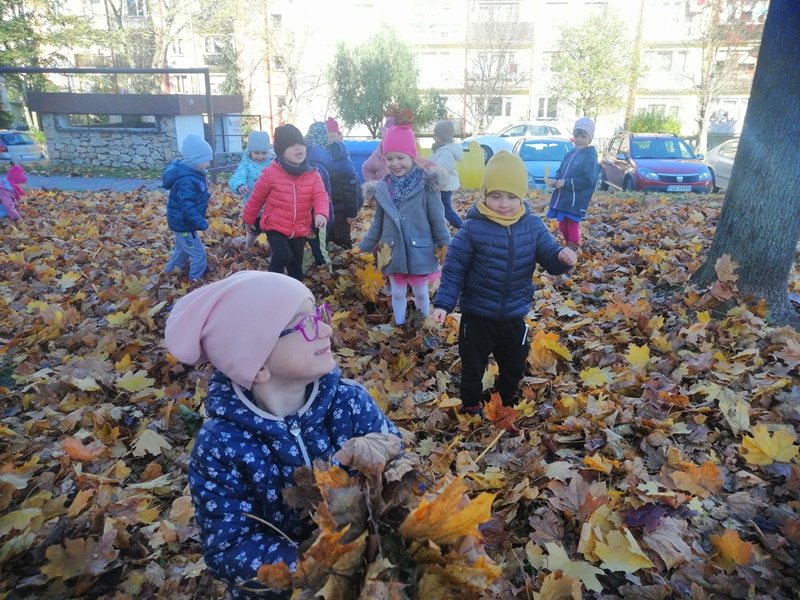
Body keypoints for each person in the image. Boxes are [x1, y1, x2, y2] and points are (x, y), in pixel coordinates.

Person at [164, 271, 401, 600]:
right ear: (258, 364)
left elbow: (397, 464)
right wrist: (315, 565)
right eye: (305, 324)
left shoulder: (350, 402)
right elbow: (229, 547)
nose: (326, 329)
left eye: (319, 314)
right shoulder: (221, 444)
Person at [432, 151, 577, 415]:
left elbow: (549, 256)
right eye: (496, 196)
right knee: (473, 364)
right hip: (477, 315)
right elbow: (454, 269)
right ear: (485, 195)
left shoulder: (532, 226)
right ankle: (471, 404)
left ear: (521, 196)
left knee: (515, 363)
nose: (503, 204)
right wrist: (443, 303)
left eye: (511, 196)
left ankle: (505, 400)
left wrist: (562, 257)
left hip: (513, 313)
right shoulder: (471, 229)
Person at [358, 123, 451, 326]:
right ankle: (400, 324)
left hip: (420, 250)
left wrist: (445, 246)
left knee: (421, 291)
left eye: (400, 157)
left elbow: (437, 219)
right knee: (397, 292)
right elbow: (377, 223)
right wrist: (363, 247)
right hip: (393, 251)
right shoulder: (383, 188)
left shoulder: (425, 185)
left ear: (412, 156)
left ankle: (423, 323)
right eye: (389, 158)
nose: (395, 163)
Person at [243, 124, 329, 281]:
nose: (299, 148)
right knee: (283, 256)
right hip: (275, 226)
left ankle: (295, 289)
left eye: (301, 144)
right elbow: (256, 198)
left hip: (300, 228)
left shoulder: (312, 173)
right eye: (292, 145)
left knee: (296, 266)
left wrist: (321, 213)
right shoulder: (270, 173)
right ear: (281, 151)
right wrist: (248, 219)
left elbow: (321, 195)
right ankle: (272, 283)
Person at [163, 134, 213, 282]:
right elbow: (187, 207)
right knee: (198, 254)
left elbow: (194, 197)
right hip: (184, 225)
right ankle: (195, 280)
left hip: (182, 223)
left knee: (182, 252)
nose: (208, 163)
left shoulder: (193, 174)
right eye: (206, 160)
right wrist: (204, 225)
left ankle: (168, 274)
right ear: (195, 160)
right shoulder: (187, 180)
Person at [545, 116, 599, 250]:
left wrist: (566, 183)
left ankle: (573, 248)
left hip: (576, 200)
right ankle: (568, 244)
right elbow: (561, 171)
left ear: (590, 138)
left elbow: (589, 180)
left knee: (572, 224)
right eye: (577, 136)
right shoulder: (570, 154)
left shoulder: (589, 156)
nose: (579, 139)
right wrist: (556, 179)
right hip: (564, 198)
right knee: (562, 225)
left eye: (583, 136)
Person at [229, 131, 276, 249]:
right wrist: (240, 185)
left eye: (264, 153)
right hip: (253, 205)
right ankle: (248, 247)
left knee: (273, 230)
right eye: (256, 153)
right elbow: (237, 177)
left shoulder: (272, 163)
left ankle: (274, 250)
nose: (260, 156)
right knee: (253, 230)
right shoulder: (246, 165)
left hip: (271, 205)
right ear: (250, 151)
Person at [303, 122, 335, 268]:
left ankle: (328, 274)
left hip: (315, 215)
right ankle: (326, 272)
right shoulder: (324, 160)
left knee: (319, 249)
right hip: (319, 215)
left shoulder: (310, 164)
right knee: (320, 248)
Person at [430, 119, 464, 229]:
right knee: (441, 209)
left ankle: (462, 227)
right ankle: (440, 227)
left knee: (445, 209)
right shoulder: (441, 149)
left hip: (443, 186)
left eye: (436, 135)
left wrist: (429, 174)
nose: (433, 137)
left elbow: (441, 169)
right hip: (442, 185)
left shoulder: (446, 152)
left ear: (443, 137)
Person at [361, 116, 395, 182]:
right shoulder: (378, 155)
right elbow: (366, 169)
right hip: (383, 188)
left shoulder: (408, 155)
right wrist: (374, 184)